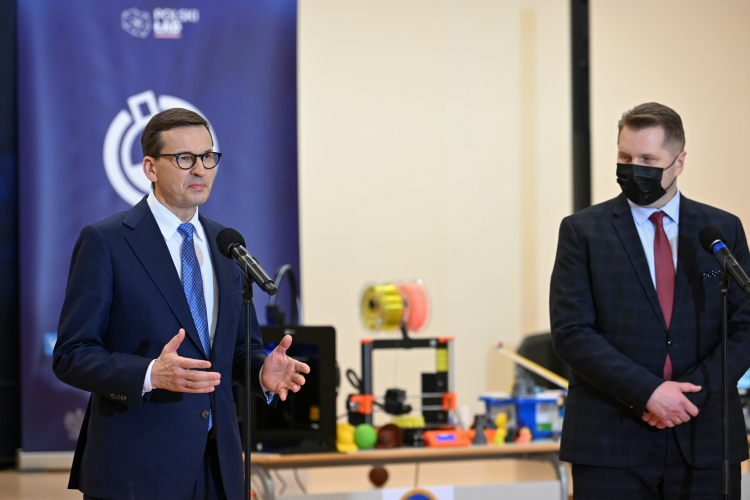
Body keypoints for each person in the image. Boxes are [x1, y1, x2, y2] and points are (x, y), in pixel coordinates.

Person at [53, 108, 309, 500]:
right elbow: (72, 354)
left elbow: (240, 349)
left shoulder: (228, 245)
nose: (200, 169)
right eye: (185, 159)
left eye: (208, 157)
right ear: (151, 168)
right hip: (135, 472)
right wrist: (151, 373)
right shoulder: (106, 242)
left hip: (218, 468)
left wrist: (261, 371)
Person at [550, 102, 750, 498]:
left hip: (705, 437)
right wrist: (650, 393)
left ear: (678, 162)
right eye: (624, 157)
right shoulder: (582, 232)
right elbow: (572, 332)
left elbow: (744, 325)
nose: (632, 168)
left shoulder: (720, 231)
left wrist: (687, 396)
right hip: (610, 440)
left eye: (647, 159)